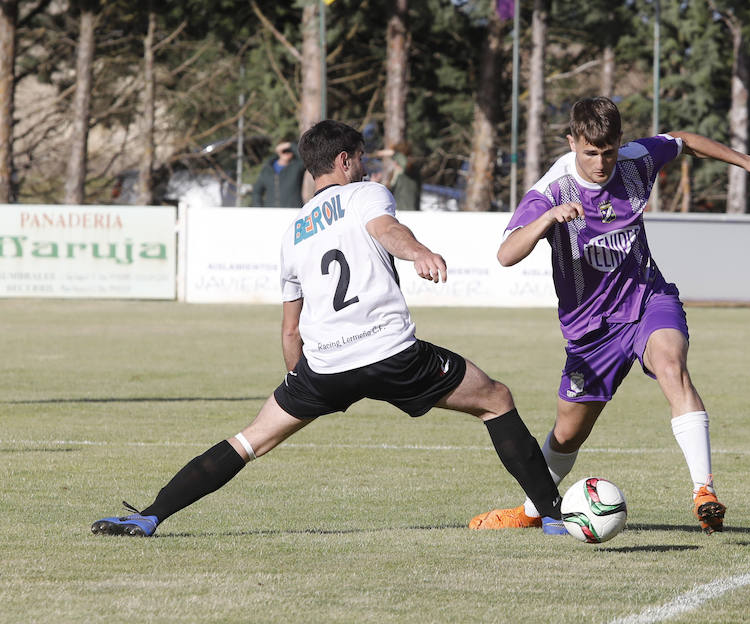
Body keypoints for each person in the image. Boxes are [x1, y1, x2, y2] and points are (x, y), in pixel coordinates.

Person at [91, 120, 562, 537]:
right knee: (496, 399)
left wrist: (302, 386)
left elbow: (289, 330)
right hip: (392, 353)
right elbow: (386, 231)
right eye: (360, 159)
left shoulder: (293, 231)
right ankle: (555, 517)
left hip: (326, 365)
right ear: (344, 160)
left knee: (250, 439)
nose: (364, 168)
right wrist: (418, 251)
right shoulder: (366, 194)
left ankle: (151, 515)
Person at [468, 97, 750, 535]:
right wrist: (547, 219)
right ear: (572, 143)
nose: (601, 163)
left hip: (646, 300)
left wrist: (749, 163)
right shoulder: (551, 190)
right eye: (590, 153)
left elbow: (684, 141)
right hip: (590, 331)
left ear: (620, 142)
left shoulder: (637, 160)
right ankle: (530, 510)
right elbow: (507, 254)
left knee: (672, 367)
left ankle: (704, 491)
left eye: (609, 151)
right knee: (567, 434)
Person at [251, 138, 307, 207]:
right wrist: (259, 209)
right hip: (271, 213)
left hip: (293, 212)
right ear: (278, 151)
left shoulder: (297, 166)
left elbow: (306, 159)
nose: (287, 152)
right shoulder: (267, 169)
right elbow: (256, 191)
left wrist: (291, 145)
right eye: (284, 150)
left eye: (289, 150)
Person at [376, 142, 421, 211]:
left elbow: (405, 164)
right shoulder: (396, 174)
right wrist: (377, 184)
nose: (395, 162)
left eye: (396, 159)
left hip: (409, 213)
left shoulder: (412, 170)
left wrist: (394, 153)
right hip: (397, 213)